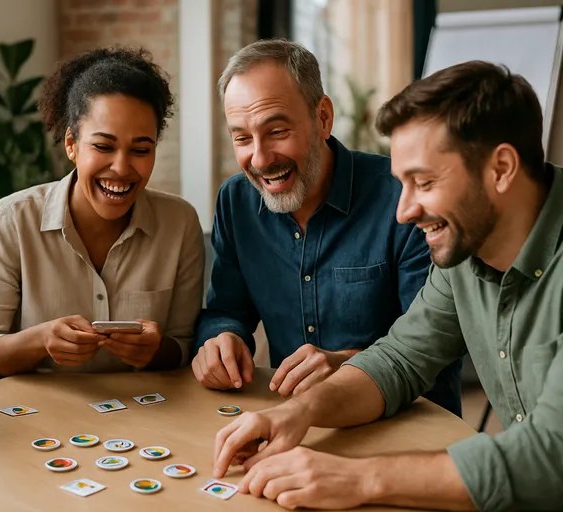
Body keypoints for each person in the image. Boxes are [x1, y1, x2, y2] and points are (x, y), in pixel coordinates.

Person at [212, 60, 563, 511]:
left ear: (501, 168)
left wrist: (358, 478)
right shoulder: (465, 250)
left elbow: (550, 455)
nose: (403, 212)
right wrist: (297, 413)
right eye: (402, 184)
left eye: (424, 182)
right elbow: (398, 360)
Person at [191, 39, 462, 416]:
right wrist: (221, 339)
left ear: (323, 118)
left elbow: (437, 349)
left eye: (277, 131)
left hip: (407, 423)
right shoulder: (236, 202)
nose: (260, 158)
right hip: (295, 421)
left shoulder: (404, 198)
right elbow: (226, 309)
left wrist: (350, 368)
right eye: (242, 138)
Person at [0, 47, 205, 382]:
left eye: (141, 150)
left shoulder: (180, 223)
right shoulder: (12, 220)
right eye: (103, 146)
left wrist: (155, 350)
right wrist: (40, 341)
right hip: (30, 410)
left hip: (140, 409)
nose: (122, 168)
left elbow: (184, 345)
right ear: (71, 144)